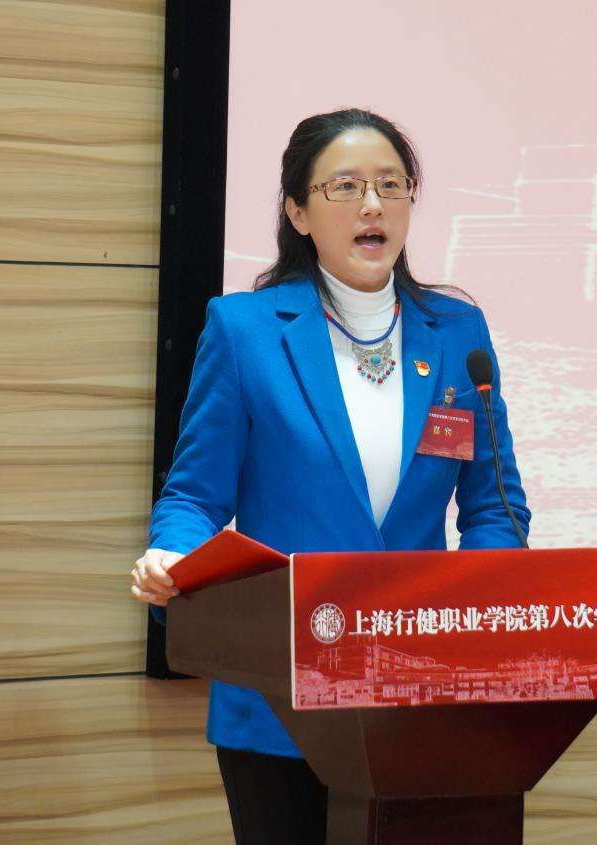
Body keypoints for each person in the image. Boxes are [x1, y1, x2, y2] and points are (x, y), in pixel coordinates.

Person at [130, 108, 529, 844]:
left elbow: (494, 507)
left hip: (420, 687)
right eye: (345, 187)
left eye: (390, 185)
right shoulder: (245, 331)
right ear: (297, 211)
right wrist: (172, 557)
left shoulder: (456, 333)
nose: (372, 204)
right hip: (280, 691)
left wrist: (475, 619)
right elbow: (194, 496)